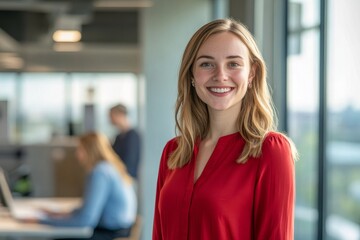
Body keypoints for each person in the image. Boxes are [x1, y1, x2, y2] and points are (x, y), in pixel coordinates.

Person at [152, 18, 298, 240]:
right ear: (192, 74)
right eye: (207, 64)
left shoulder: (271, 151)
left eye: (233, 64)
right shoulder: (173, 152)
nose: (220, 75)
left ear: (252, 74)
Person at [28, 132, 137, 240]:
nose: (77, 154)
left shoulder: (100, 172)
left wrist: (41, 221)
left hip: (110, 234)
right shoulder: (110, 168)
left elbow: (85, 220)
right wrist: (63, 213)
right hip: (120, 230)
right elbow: (88, 211)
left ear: (90, 150)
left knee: (59, 237)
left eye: (80, 149)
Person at [109, 104, 141, 180]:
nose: (110, 119)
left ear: (120, 115)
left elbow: (130, 162)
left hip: (127, 179)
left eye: (111, 116)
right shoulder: (118, 137)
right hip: (118, 177)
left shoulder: (133, 136)